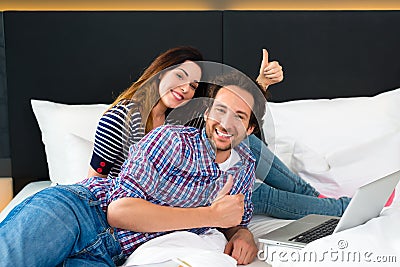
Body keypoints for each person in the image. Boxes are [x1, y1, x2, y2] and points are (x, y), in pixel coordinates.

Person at [0, 71, 267, 266]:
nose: (226, 122)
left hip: (111, 255)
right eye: (220, 110)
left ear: (251, 128)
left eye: (240, 116)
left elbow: (232, 221)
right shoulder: (170, 140)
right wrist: (210, 215)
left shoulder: (244, 166)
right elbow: (119, 211)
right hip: (82, 212)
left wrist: (242, 234)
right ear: (208, 112)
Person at [88, 46, 350, 220]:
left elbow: (227, 125)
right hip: (150, 201)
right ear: (160, 72)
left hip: (188, 187)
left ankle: (317, 197)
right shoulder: (119, 119)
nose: (184, 89)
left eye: (192, 85)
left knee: (246, 145)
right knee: (255, 195)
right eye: (179, 76)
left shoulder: (182, 117)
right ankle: (341, 208)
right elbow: (93, 182)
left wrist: (261, 84)